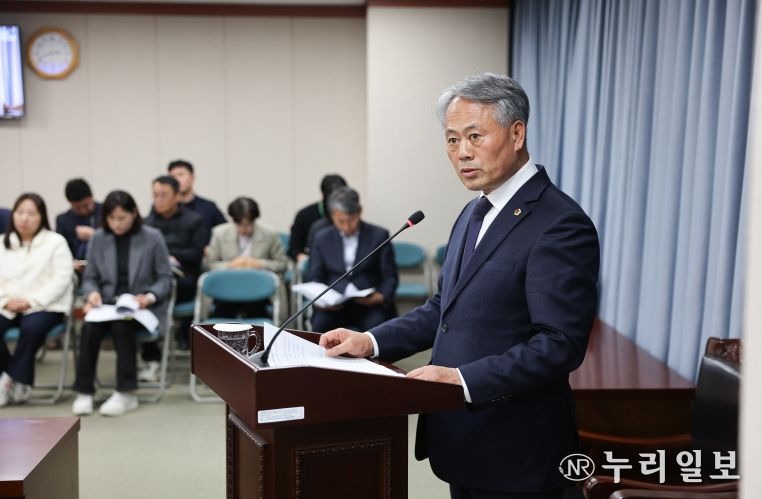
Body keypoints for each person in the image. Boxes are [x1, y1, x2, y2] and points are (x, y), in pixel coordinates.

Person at [318, 73, 600, 499]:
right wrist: (370, 342)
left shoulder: (560, 224)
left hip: (516, 448)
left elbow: (559, 344)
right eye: (452, 140)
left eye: (474, 136)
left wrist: (462, 379)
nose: (462, 152)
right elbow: (442, 309)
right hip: (460, 438)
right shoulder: (473, 212)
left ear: (517, 134)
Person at [71, 190, 172, 417]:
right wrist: (92, 293)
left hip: (140, 307)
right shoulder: (99, 238)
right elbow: (90, 277)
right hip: (107, 305)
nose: (116, 224)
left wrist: (149, 296)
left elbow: (165, 278)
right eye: (111, 218)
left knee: (121, 326)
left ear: (134, 214)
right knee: (89, 327)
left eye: (122, 218)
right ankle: (84, 391)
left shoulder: (152, 237)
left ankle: (126, 393)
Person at [0, 193, 74, 406]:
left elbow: (62, 278)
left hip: (44, 306)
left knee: (32, 328)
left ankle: (9, 380)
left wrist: (31, 301)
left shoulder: (55, 242)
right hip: (7, 304)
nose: (24, 218)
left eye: (31, 213)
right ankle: (13, 375)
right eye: (20, 212)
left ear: (42, 216)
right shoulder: (3, 243)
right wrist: (5, 300)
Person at [306, 186, 398, 333]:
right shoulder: (322, 238)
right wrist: (320, 300)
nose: (347, 226)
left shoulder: (379, 236)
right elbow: (315, 276)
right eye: (340, 221)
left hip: (368, 305)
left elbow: (390, 275)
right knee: (319, 326)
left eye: (351, 220)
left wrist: (380, 297)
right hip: (334, 306)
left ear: (359, 212)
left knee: (378, 329)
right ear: (332, 216)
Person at [144, 175, 206, 357]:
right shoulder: (147, 223)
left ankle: (174, 338)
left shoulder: (194, 220)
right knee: (143, 288)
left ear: (177, 196)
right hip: (154, 278)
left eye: (164, 195)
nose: (159, 199)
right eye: (155, 195)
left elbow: (196, 254)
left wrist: (169, 255)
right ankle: (151, 350)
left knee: (163, 288)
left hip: (183, 278)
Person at [206, 197, 289, 320]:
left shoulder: (269, 233)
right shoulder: (219, 233)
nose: (245, 229)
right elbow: (209, 264)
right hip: (227, 288)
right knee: (222, 313)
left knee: (257, 312)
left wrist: (258, 264)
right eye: (240, 224)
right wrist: (231, 265)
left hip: (258, 290)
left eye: (249, 224)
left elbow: (282, 264)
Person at [287, 174, 347, 262]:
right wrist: (303, 259)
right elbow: (293, 249)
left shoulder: (349, 216)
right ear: (322, 195)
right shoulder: (304, 215)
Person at [167, 159, 226, 244]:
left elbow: (224, 233)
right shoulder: (166, 210)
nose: (177, 180)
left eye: (181, 175)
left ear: (192, 177)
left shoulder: (209, 207)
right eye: (173, 177)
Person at [55, 178, 102, 273]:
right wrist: (70, 262)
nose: (83, 210)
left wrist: (95, 235)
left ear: (91, 197)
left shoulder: (106, 213)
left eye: (86, 205)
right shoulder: (63, 220)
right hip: (76, 271)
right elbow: (60, 250)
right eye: (77, 208)